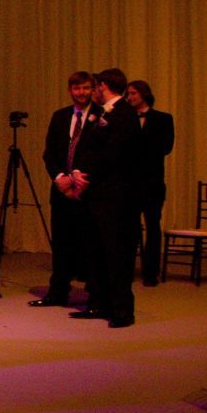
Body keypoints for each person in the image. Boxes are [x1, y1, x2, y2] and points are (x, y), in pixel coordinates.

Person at [66, 69, 145, 327]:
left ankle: (123, 309)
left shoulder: (125, 113)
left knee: (117, 253)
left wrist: (87, 173)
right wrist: (78, 170)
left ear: (103, 86)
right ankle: (99, 302)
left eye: (96, 86)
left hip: (116, 198)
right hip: (96, 196)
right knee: (96, 252)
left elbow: (115, 153)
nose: (94, 91)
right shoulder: (101, 114)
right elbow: (89, 146)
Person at [34, 72, 99, 309]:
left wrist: (79, 179)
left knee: (90, 245)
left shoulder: (101, 116)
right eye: (76, 89)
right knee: (61, 244)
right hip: (61, 192)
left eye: (85, 88)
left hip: (88, 192)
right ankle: (58, 291)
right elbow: (49, 153)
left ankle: (94, 294)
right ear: (69, 90)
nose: (81, 93)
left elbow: (100, 154)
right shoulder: (60, 116)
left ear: (93, 89)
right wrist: (59, 177)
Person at [126, 80, 175, 286]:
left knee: (153, 226)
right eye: (128, 94)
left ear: (144, 95)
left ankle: (150, 271)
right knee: (129, 227)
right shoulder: (125, 118)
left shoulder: (163, 118)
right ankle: (126, 269)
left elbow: (166, 147)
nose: (129, 98)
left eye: (133, 94)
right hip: (129, 181)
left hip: (152, 180)